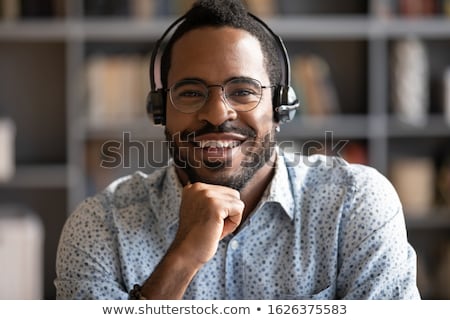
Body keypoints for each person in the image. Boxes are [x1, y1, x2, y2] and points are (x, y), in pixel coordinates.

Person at [55, 0, 421, 299]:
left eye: (243, 91)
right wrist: (181, 260)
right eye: (191, 92)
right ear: (160, 110)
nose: (216, 113)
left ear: (280, 108)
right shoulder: (100, 226)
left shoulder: (354, 204)